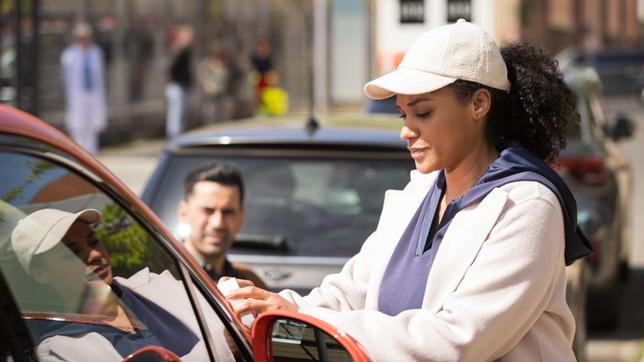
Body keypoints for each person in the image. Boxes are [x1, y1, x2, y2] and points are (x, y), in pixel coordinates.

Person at [225, 19, 593, 361]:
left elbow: (459, 341)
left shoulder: (528, 204)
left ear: (479, 104)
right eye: (403, 114)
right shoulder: (419, 194)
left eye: (424, 112)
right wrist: (268, 307)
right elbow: (347, 294)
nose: (406, 129)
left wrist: (298, 316)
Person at [10, 208, 237, 361]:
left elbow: (233, 318)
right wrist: (225, 346)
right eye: (71, 252)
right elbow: (228, 338)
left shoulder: (154, 286)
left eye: (93, 241)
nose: (95, 255)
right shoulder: (59, 351)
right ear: (41, 274)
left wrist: (240, 300)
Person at [178, 164, 267, 289]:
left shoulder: (250, 283)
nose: (218, 223)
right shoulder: (163, 277)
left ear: (241, 217)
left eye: (228, 212)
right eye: (208, 210)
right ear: (183, 212)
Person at [61, 22, 106, 154]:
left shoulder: (96, 52)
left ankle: (92, 151)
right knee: (78, 124)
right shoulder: (69, 55)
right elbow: (66, 79)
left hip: (92, 93)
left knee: (92, 123)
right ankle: (79, 151)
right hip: (77, 94)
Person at [165, 25, 193, 138]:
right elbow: (172, 68)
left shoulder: (184, 51)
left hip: (180, 85)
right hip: (176, 85)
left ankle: (177, 134)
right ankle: (174, 136)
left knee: (180, 112)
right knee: (176, 113)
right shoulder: (179, 51)